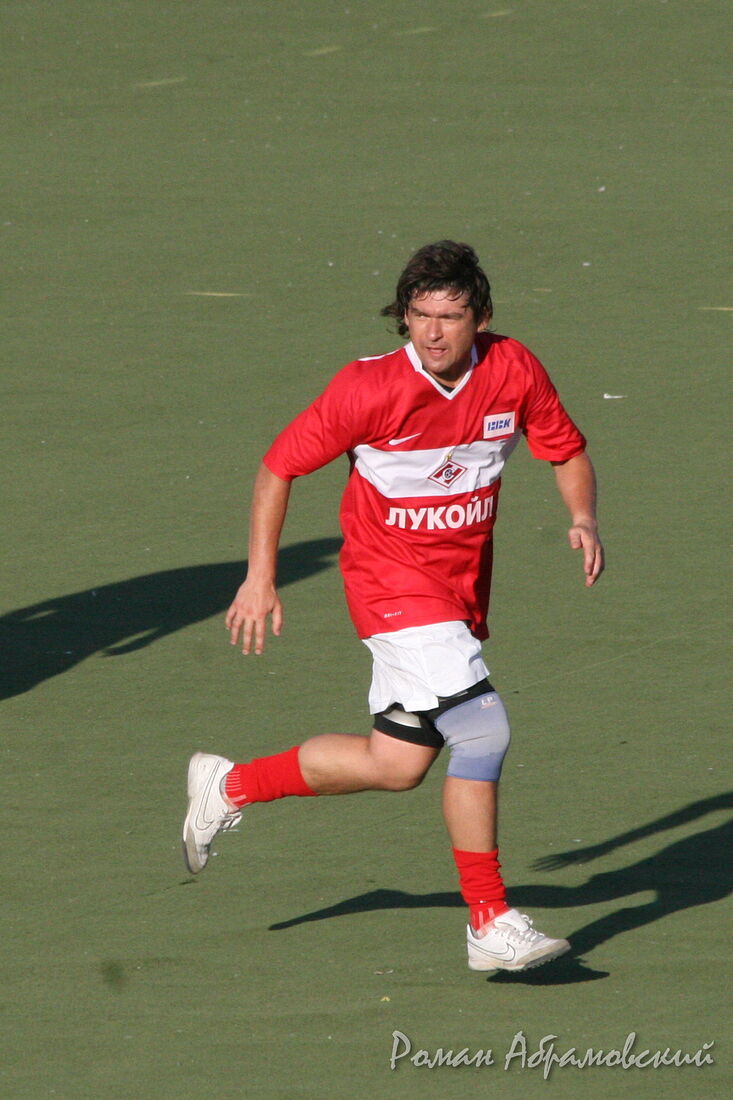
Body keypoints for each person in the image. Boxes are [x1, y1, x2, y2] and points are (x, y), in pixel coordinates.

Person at [182, 241, 604, 973]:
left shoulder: (513, 370)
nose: (433, 333)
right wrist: (260, 577)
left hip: (457, 593)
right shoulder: (367, 388)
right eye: (419, 315)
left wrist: (583, 516)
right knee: (483, 730)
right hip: (390, 586)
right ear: (402, 316)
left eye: (450, 316)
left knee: (396, 762)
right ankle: (488, 919)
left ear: (482, 318)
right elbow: (278, 466)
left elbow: (564, 450)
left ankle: (230, 784)